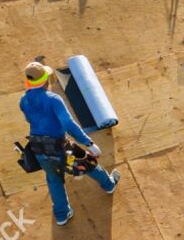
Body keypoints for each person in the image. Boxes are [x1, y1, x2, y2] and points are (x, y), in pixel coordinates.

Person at [20, 61, 119, 225]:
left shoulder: (23, 101)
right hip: (59, 146)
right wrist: (88, 143)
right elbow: (68, 123)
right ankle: (109, 184)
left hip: (38, 147)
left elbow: (29, 119)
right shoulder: (53, 99)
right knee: (87, 163)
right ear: (45, 79)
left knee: (53, 179)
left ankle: (61, 214)